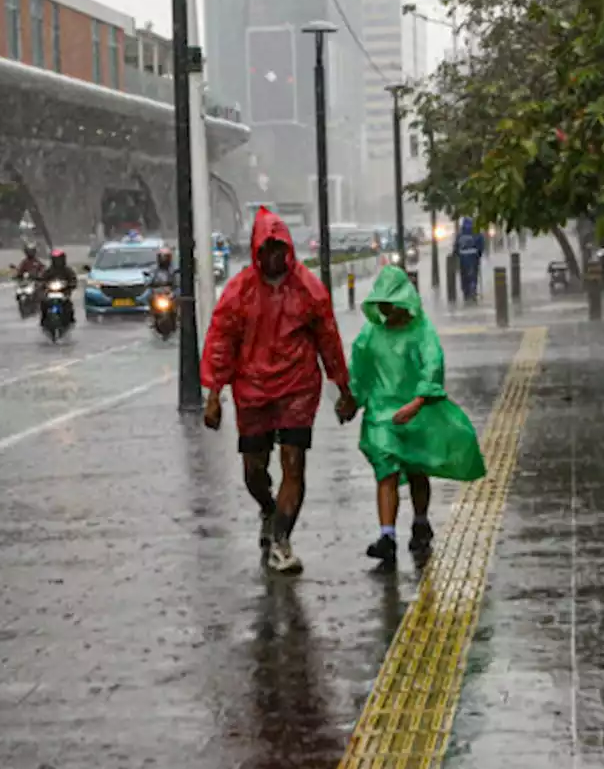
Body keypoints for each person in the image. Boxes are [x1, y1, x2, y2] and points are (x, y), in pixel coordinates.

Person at [201, 207, 353, 572]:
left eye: (279, 250)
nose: (274, 258)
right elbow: (221, 341)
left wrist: (342, 388)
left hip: (298, 387)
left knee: (293, 462)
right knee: (254, 471)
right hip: (252, 389)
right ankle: (269, 510)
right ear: (257, 251)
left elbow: (328, 339)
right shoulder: (239, 292)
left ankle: (282, 540)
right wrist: (213, 394)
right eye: (267, 250)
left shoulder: (307, 289)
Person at [337, 265, 486, 569]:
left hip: (415, 411)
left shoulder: (421, 331)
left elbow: (433, 366)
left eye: (390, 302)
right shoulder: (370, 334)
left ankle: (420, 521)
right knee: (386, 471)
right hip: (381, 415)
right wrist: (351, 400)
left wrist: (418, 402)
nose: (386, 309)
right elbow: (360, 372)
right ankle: (387, 536)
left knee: (417, 469)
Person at [38, 248, 77, 324]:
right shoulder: (49, 270)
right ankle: (43, 318)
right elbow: (42, 278)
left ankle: (70, 318)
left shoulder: (67, 270)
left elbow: (73, 279)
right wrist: (42, 284)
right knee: (44, 302)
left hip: (64, 291)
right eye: (56, 259)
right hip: (50, 292)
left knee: (68, 303)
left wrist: (71, 284)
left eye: (59, 259)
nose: (58, 261)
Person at [455, 217, 485, 302]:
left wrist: (458, 254)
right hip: (474, 257)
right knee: (473, 275)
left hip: (463, 258)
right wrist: (479, 254)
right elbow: (481, 245)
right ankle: (473, 290)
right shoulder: (477, 233)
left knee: (464, 276)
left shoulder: (460, 234)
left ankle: (466, 292)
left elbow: (456, 246)